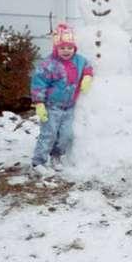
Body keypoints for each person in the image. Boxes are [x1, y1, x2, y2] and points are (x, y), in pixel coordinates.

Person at [30, 23, 93, 176]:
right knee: (49, 134)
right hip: (51, 106)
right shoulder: (48, 64)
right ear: (56, 48)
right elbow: (38, 83)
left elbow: (88, 65)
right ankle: (38, 162)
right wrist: (39, 104)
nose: (66, 51)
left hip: (69, 107)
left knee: (66, 134)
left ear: (74, 48)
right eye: (62, 48)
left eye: (69, 47)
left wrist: (87, 76)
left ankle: (56, 156)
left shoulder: (79, 60)